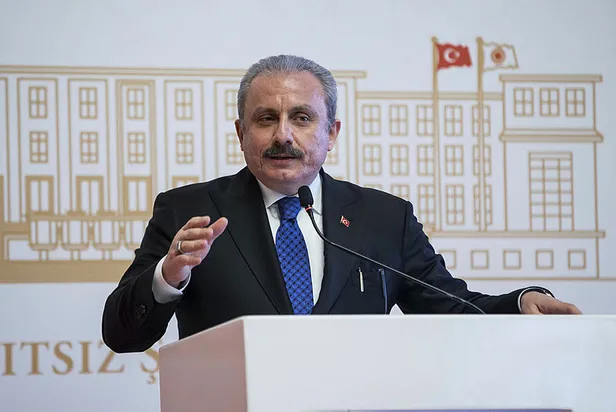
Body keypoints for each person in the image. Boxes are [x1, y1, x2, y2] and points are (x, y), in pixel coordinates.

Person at [101, 54, 581, 353]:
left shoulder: (384, 218)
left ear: (331, 133)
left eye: (301, 118)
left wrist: (521, 303)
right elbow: (122, 336)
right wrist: (167, 277)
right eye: (265, 119)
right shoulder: (188, 212)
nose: (283, 135)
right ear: (241, 133)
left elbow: (452, 310)